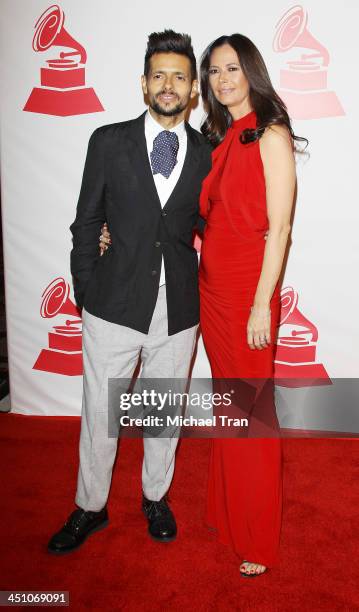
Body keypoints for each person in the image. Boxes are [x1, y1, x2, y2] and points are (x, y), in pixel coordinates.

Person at [47, 30, 212, 555]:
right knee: (100, 412)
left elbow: (214, 225)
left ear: (193, 92)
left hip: (178, 308)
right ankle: (89, 507)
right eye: (159, 75)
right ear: (144, 84)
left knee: (163, 411)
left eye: (180, 77)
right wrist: (88, 288)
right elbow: (86, 221)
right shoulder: (108, 141)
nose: (169, 85)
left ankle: (155, 497)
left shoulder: (209, 153)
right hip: (112, 303)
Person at [198, 34, 302, 576]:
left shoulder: (270, 135)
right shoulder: (219, 137)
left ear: (251, 72)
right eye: (214, 71)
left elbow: (280, 228)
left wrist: (262, 304)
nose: (222, 79)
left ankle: (256, 538)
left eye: (232, 68)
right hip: (211, 291)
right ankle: (226, 510)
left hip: (247, 294)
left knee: (252, 414)